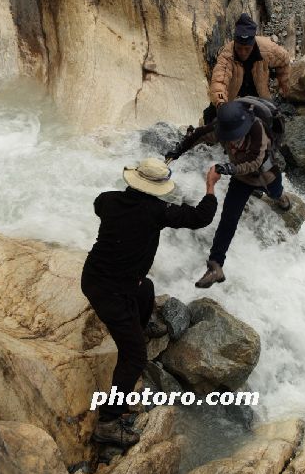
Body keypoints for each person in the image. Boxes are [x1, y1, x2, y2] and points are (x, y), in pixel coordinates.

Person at [81, 158, 220, 447]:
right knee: (135, 357)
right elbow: (200, 218)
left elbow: (98, 207)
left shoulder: (107, 200)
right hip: (111, 292)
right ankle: (108, 423)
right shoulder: (157, 212)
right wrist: (210, 187)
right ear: (158, 188)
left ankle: (139, 328)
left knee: (146, 288)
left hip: (97, 277)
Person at [165, 101, 291, 288]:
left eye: (235, 137)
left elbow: (254, 161)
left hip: (266, 175)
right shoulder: (223, 127)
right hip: (241, 180)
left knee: (275, 192)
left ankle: (280, 197)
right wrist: (178, 150)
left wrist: (228, 168)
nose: (231, 140)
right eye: (228, 137)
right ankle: (215, 266)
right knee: (228, 220)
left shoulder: (258, 129)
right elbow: (199, 135)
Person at [203, 13, 290, 124]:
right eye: (239, 48)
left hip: (259, 96)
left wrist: (284, 87)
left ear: (253, 44)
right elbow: (219, 82)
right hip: (233, 98)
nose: (243, 53)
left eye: (247, 49)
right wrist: (221, 103)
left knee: (273, 122)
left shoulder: (268, 49)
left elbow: (284, 60)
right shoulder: (227, 55)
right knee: (210, 116)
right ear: (235, 43)